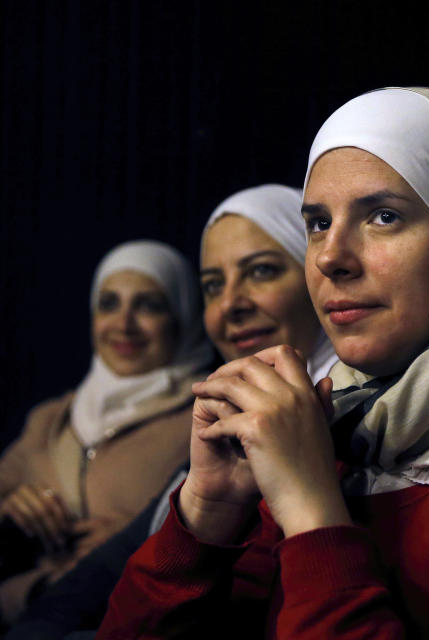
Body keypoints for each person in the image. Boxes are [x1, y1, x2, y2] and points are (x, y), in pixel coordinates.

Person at [97, 88, 429, 639]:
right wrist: (209, 511)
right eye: (318, 223)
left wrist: (311, 512)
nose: (329, 257)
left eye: (384, 216)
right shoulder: (331, 431)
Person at [6, 184, 338, 640]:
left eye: (260, 271)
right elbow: (99, 588)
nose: (231, 304)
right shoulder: (218, 422)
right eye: (213, 286)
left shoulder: (205, 417)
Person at [0, 240, 212, 625]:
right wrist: (12, 512)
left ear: (182, 315)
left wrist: (136, 539)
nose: (124, 323)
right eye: (109, 303)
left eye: (148, 305)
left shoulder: (207, 412)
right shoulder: (51, 418)